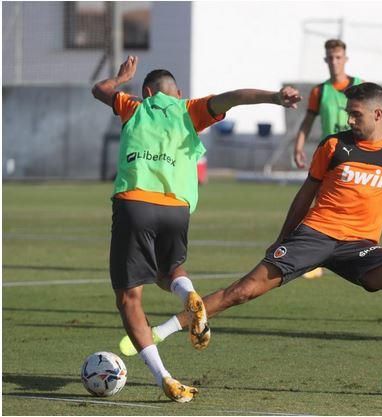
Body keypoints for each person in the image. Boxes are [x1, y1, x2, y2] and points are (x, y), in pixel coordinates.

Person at [120, 82, 382, 397]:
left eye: (356, 115)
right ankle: (165, 329)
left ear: (379, 114)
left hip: (360, 246)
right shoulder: (333, 146)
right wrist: (282, 239)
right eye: (348, 114)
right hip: (315, 235)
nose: (350, 120)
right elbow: (304, 197)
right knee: (243, 291)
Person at [92, 55, 301, 403]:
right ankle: (188, 294)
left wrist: (120, 77)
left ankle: (165, 378)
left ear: (147, 91)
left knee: (129, 298)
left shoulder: (133, 106)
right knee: (169, 270)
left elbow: (99, 90)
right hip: (176, 209)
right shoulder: (191, 109)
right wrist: (276, 97)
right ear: (179, 93)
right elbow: (235, 96)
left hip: (134, 203)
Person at [291, 38, 362, 280]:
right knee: (322, 207)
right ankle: (315, 259)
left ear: (345, 59)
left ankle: (357, 250)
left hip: (357, 156)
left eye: (338, 57)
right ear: (325, 60)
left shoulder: (360, 86)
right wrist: (299, 145)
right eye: (330, 58)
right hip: (331, 157)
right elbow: (308, 121)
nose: (334, 62)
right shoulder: (319, 91)